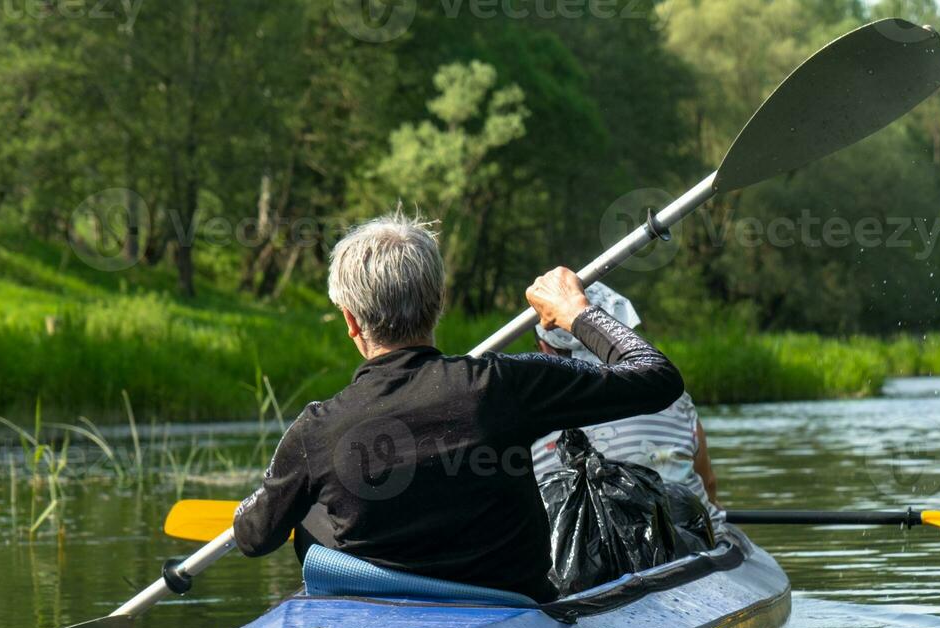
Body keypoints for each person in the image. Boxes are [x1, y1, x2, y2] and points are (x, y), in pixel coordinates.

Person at [231, 212, 684, 602]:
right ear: (439, 302)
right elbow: (655, 376)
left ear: (350, 320)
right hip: (508, 608)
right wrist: (575, 312)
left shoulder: (316, 429)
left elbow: (253, 537)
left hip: (378, 610)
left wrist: (291, 491)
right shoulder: (504, 384)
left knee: (312, 508)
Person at [531, 282, 723, 527]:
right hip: (692, 544)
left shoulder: (525, 411)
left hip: (580, 556)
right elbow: (709, 485)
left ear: (545, 348)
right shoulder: (673, 392)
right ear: (624, 335)